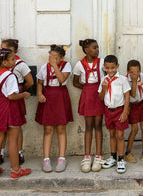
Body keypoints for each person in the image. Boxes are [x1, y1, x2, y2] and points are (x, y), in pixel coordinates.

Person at [0, 48, 31, 180]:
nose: (14, 61)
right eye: (12, 59)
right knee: (12, 139)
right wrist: (23, 94)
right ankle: (16, 170)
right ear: (5, 62)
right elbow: (11, 96)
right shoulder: (10, 76)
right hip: (10, 108)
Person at [35, 44, 74, 173]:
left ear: (61, 58)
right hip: (48, 97)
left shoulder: (66, 66)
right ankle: (46, 159)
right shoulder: (43, 68)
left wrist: (54, 66)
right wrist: (40, 94)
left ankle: (62, 158)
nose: (52, 59)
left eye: (55, 57)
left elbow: (62, 79)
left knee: (61, 127)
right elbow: (40, 82)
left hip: (60, 96)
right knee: (48, 128)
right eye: (50, 56)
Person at [72, 39, 105, 173]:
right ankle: (87, 157)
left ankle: (98, 156)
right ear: (86, 49)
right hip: (87, 95)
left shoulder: (102, 63)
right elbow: (75, 82)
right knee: (88, 126)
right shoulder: (79, 65)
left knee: (98, 124)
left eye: (97, 48)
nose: (97, 50)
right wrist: (87, 89)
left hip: (99, 95)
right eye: (94, 48)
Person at [0, 39, 33, 165]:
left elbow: (29, 81)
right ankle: (1, 153)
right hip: (3, 97)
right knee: (2, 126)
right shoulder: (0, 64)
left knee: (17, 125)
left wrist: (20, 91)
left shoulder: (20, 65)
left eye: (5, 49)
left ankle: (19, 152)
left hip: (15, 96)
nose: (1, 51)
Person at [98, 55, 130, 174]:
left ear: (117, 66)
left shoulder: (122, 79)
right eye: (107, 68)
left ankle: (121, 159)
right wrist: (104, 88)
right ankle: (113, 157)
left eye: (112, 67)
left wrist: (125, 111)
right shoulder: (104, 80)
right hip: (108, 111)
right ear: (104, 68)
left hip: (120, 110)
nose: (110, 70)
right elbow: (101, 97)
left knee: (120, 135)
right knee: (112, 134)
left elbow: (127, 96)